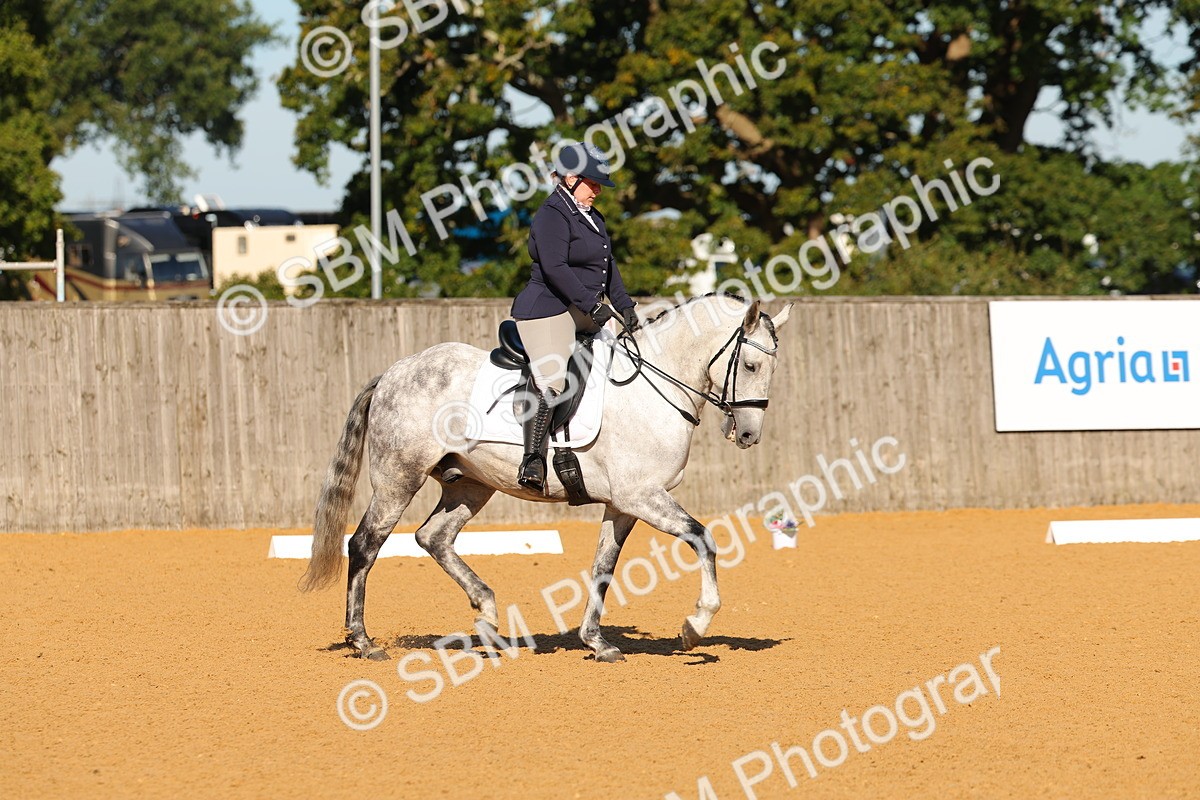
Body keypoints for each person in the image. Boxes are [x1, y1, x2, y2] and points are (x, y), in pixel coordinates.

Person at [510, 141, 639, 492]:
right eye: (592, 182)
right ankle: (532, 460)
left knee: (622, 360)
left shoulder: (592, 217)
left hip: (580, 308)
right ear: (569, 178)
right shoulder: (552, 214)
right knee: (552, 377)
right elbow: (555, 267)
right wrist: (591, 304)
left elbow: (607, 265)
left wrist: (624, 304)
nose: (598, 189)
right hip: (548, 309)